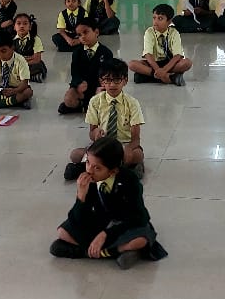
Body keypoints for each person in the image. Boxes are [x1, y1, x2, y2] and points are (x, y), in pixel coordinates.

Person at [50, 136, 168, 270]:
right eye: (88, 162)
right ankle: (113, 252)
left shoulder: (129, 180)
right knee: (62, 232)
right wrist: (81, 197)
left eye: (97, 168)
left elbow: (139, 217)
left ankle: (87, 251)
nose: (89, 170)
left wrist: (105, 234)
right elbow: (77, 219)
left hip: (124, 224)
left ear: (113, 171)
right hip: (101, 221)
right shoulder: (90, 180)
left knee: (140, 240)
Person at [64, 59, 145, 180]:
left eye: (117, 80)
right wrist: (96, 133)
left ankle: (91, 169)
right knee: (75, 155)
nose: (112, 84)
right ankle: (120, 170)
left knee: (137, 155)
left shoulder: (132, 103)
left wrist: (129, 148)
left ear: (125, 81)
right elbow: (92, 133)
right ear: (101, 82)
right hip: (102, 145)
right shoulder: (95, 101)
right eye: (107, 80)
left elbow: (136, 139)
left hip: (123, 145)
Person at [58, 18, 114, 115]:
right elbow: (74, 72)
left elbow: (108, 74)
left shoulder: (106, 52)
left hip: (98, 86)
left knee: (104, 98)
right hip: (81, 88)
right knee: (68, 99)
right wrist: (78, 83)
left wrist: (100, 86)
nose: (83, 37)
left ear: (96, 32)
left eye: (86, 32)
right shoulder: (77, 52)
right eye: (79, 35)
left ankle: (88, 106)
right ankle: (82, 105)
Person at [129, 4, 192, 86]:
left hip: (169, 64)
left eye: (160, 18)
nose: (155, 21)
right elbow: (148, 55)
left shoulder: (174, 33)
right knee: (132, 64)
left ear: (169, 21)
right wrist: (158, 70)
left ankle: (150, 77)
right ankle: (171, 77)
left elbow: (177, 55)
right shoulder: (149, 32)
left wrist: (164, 70)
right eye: (154, 18)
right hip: (153, 63)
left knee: (187, 63)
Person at [12, 13, 46, 83]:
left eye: (25, 24)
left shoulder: (36, 39)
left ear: (30, 27)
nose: (22, 26)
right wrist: (29, 57)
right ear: (14, 27)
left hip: (30, 64)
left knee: (38, 65)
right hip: (17, 65)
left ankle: (21, 77)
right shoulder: (11, 40)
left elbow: (36, 59)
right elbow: (10, 57)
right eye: (18, 23)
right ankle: (30, 77)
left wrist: (22, 62)